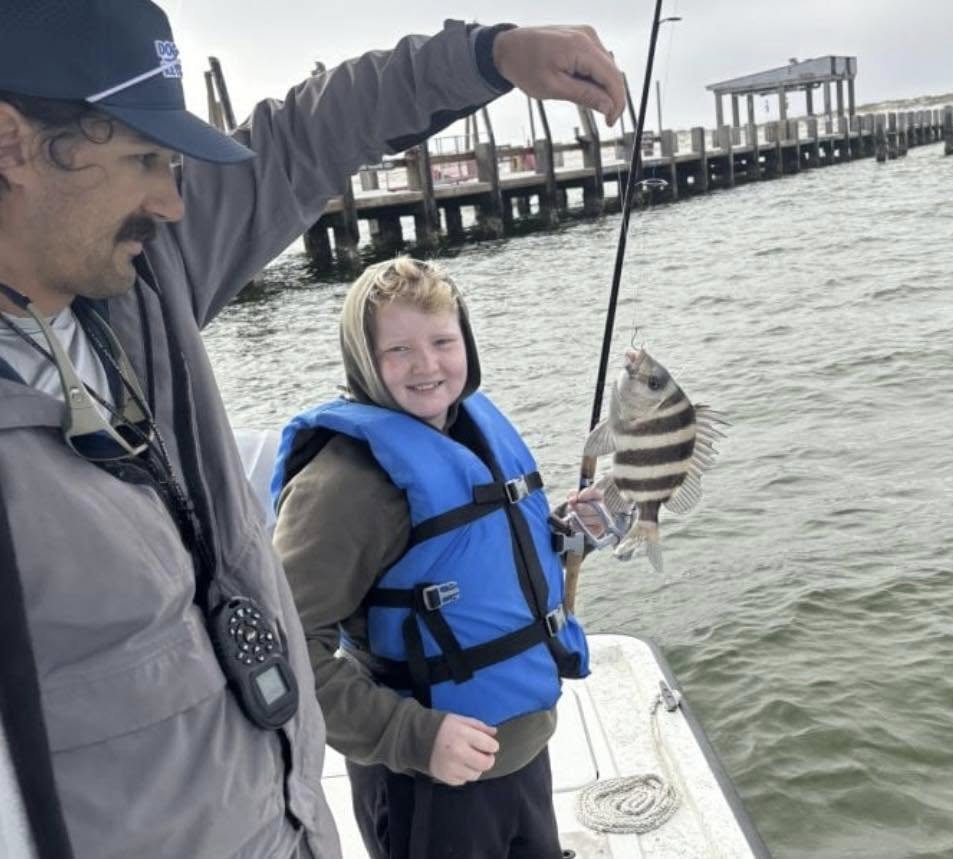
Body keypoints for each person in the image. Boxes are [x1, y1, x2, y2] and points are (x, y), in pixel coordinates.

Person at [0, 0, 625, 855]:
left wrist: (488, 56)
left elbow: (306, 135)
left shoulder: (143, 281)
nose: (172, 201)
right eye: (145, 156)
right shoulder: (350, 478)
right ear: (12, 143)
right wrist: (408, 736)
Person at [270, 257, 603, 858]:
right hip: (427, 780)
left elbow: (480, 564)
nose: (427, 366)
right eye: (398, 350)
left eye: (443, 342)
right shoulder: (344, 484)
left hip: (523, 752)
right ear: (363, 361)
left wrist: (568, 534)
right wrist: (409, 736)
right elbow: (282, 650)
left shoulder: (469, 431)